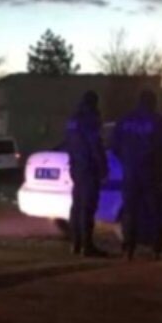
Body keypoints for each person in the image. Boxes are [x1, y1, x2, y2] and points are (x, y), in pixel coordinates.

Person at [110, 90, 162, 261]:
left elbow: (114, 146)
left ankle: (128, 249)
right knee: (155, 211)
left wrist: (128, 160)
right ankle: (157, 249)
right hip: (152, 173)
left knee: (130, 211)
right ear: (153, 102)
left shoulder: (125, 120)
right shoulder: (160, 122)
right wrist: (161, 166)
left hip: (131, 173)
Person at [64, 91, 109, 257]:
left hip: (76, 167)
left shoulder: (73, 120)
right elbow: (94, 144)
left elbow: (68, 143)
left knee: (77, 206)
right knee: (87, 207)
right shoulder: (90, 119)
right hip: (88, 168)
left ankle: (75, 244)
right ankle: (87, 246)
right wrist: (103, 166)